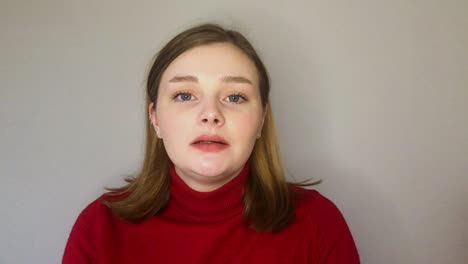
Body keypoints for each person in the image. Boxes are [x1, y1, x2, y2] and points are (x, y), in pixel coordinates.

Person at [62, 23, 360, 263]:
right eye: (184, 95)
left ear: (261, 119)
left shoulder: (318, 224)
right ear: (155, 117)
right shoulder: (99, 229)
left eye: (234, 97)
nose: (210, 114)